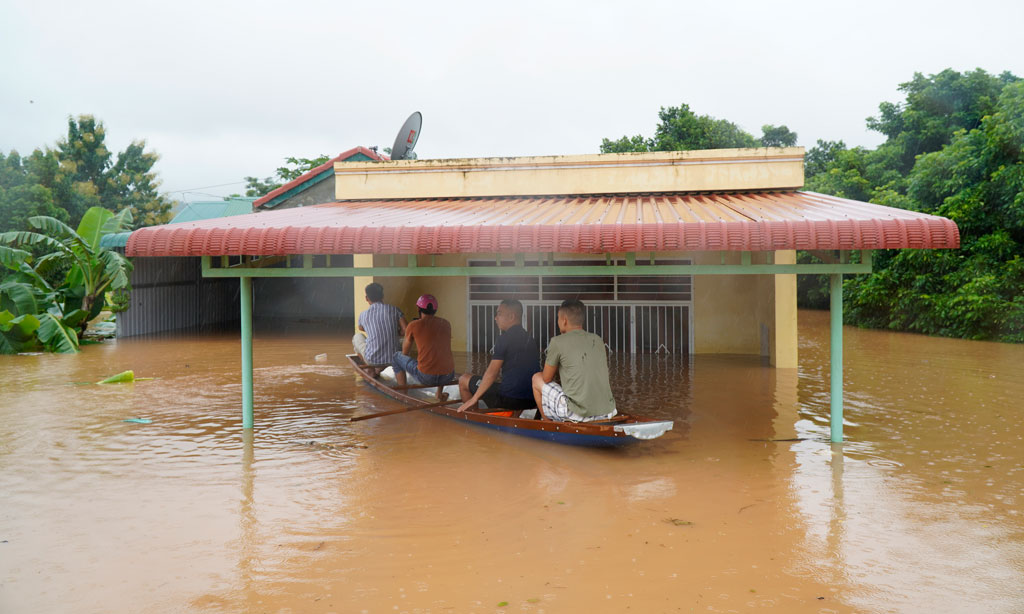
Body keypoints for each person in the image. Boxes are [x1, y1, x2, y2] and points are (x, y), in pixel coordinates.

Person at [531, 299, 616, 421]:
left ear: (564, 320)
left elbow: (546, 378)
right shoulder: (597, 340)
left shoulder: (557, 341)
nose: (558, 322)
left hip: (578, 414)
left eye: (558, 318)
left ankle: (547, 424)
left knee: (536, 378)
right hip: (608, 412)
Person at [457, 299, 539, 413]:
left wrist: (474, 399)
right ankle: (513, 417)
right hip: (532, 399)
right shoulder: (530, 339)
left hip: (509, 399)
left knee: (463, 379)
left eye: (499, 313)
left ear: (511, 316)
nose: (496, 318)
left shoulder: (504, 339)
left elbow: (492, 373)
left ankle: (473, 416)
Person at [393, 294, 456, 389]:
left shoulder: (413, 325)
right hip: (448, 376)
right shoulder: (446, 324)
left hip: (427, 377)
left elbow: (405, 353)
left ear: (418, 309)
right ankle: (439, 394)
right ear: (435, 310)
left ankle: (403, 392)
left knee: (396, 357)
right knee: (440, 359)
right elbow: (441, 351)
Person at [353, 282, 406, 376]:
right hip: (394, 358)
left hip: (372, 360)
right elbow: (406, 330)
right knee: (403, 340)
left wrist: (375, 330)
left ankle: (370, 369)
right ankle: (380, 368)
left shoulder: (363, 315)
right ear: (382, 296)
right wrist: (393, 331)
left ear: (366, 298)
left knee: (357, 337)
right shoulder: (395, 310)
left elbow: (361, 328)